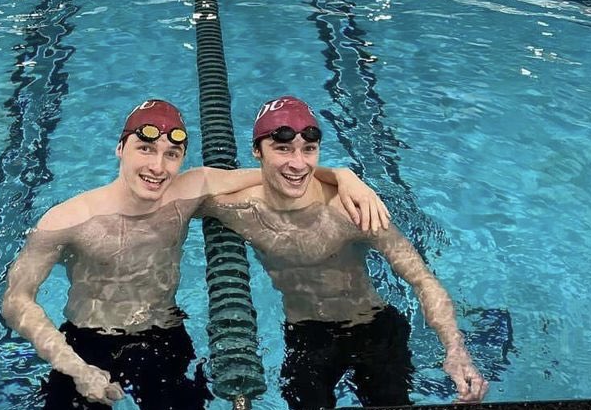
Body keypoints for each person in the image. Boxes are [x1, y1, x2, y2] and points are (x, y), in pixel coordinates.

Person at [1, 99, 390, 409]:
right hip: (85, 341)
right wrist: (75, 367)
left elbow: (280, 172)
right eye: (146, 149)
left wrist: (345, 176)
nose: (158, 166)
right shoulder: (67, 219)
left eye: (172, 154)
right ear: (120, 148)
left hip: (164, 335)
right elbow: (17, 301)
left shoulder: (190, 190)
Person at [198, 96, 489, 408]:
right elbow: (172, 195)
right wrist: (339, 172)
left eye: (309, 150)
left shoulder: (352, 210)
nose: (298, 163)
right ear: (257, 151)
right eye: (282, 149)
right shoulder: (239, 209)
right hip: (307, 337)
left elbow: (421, 279)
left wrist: (455, 349)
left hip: (373, 327)